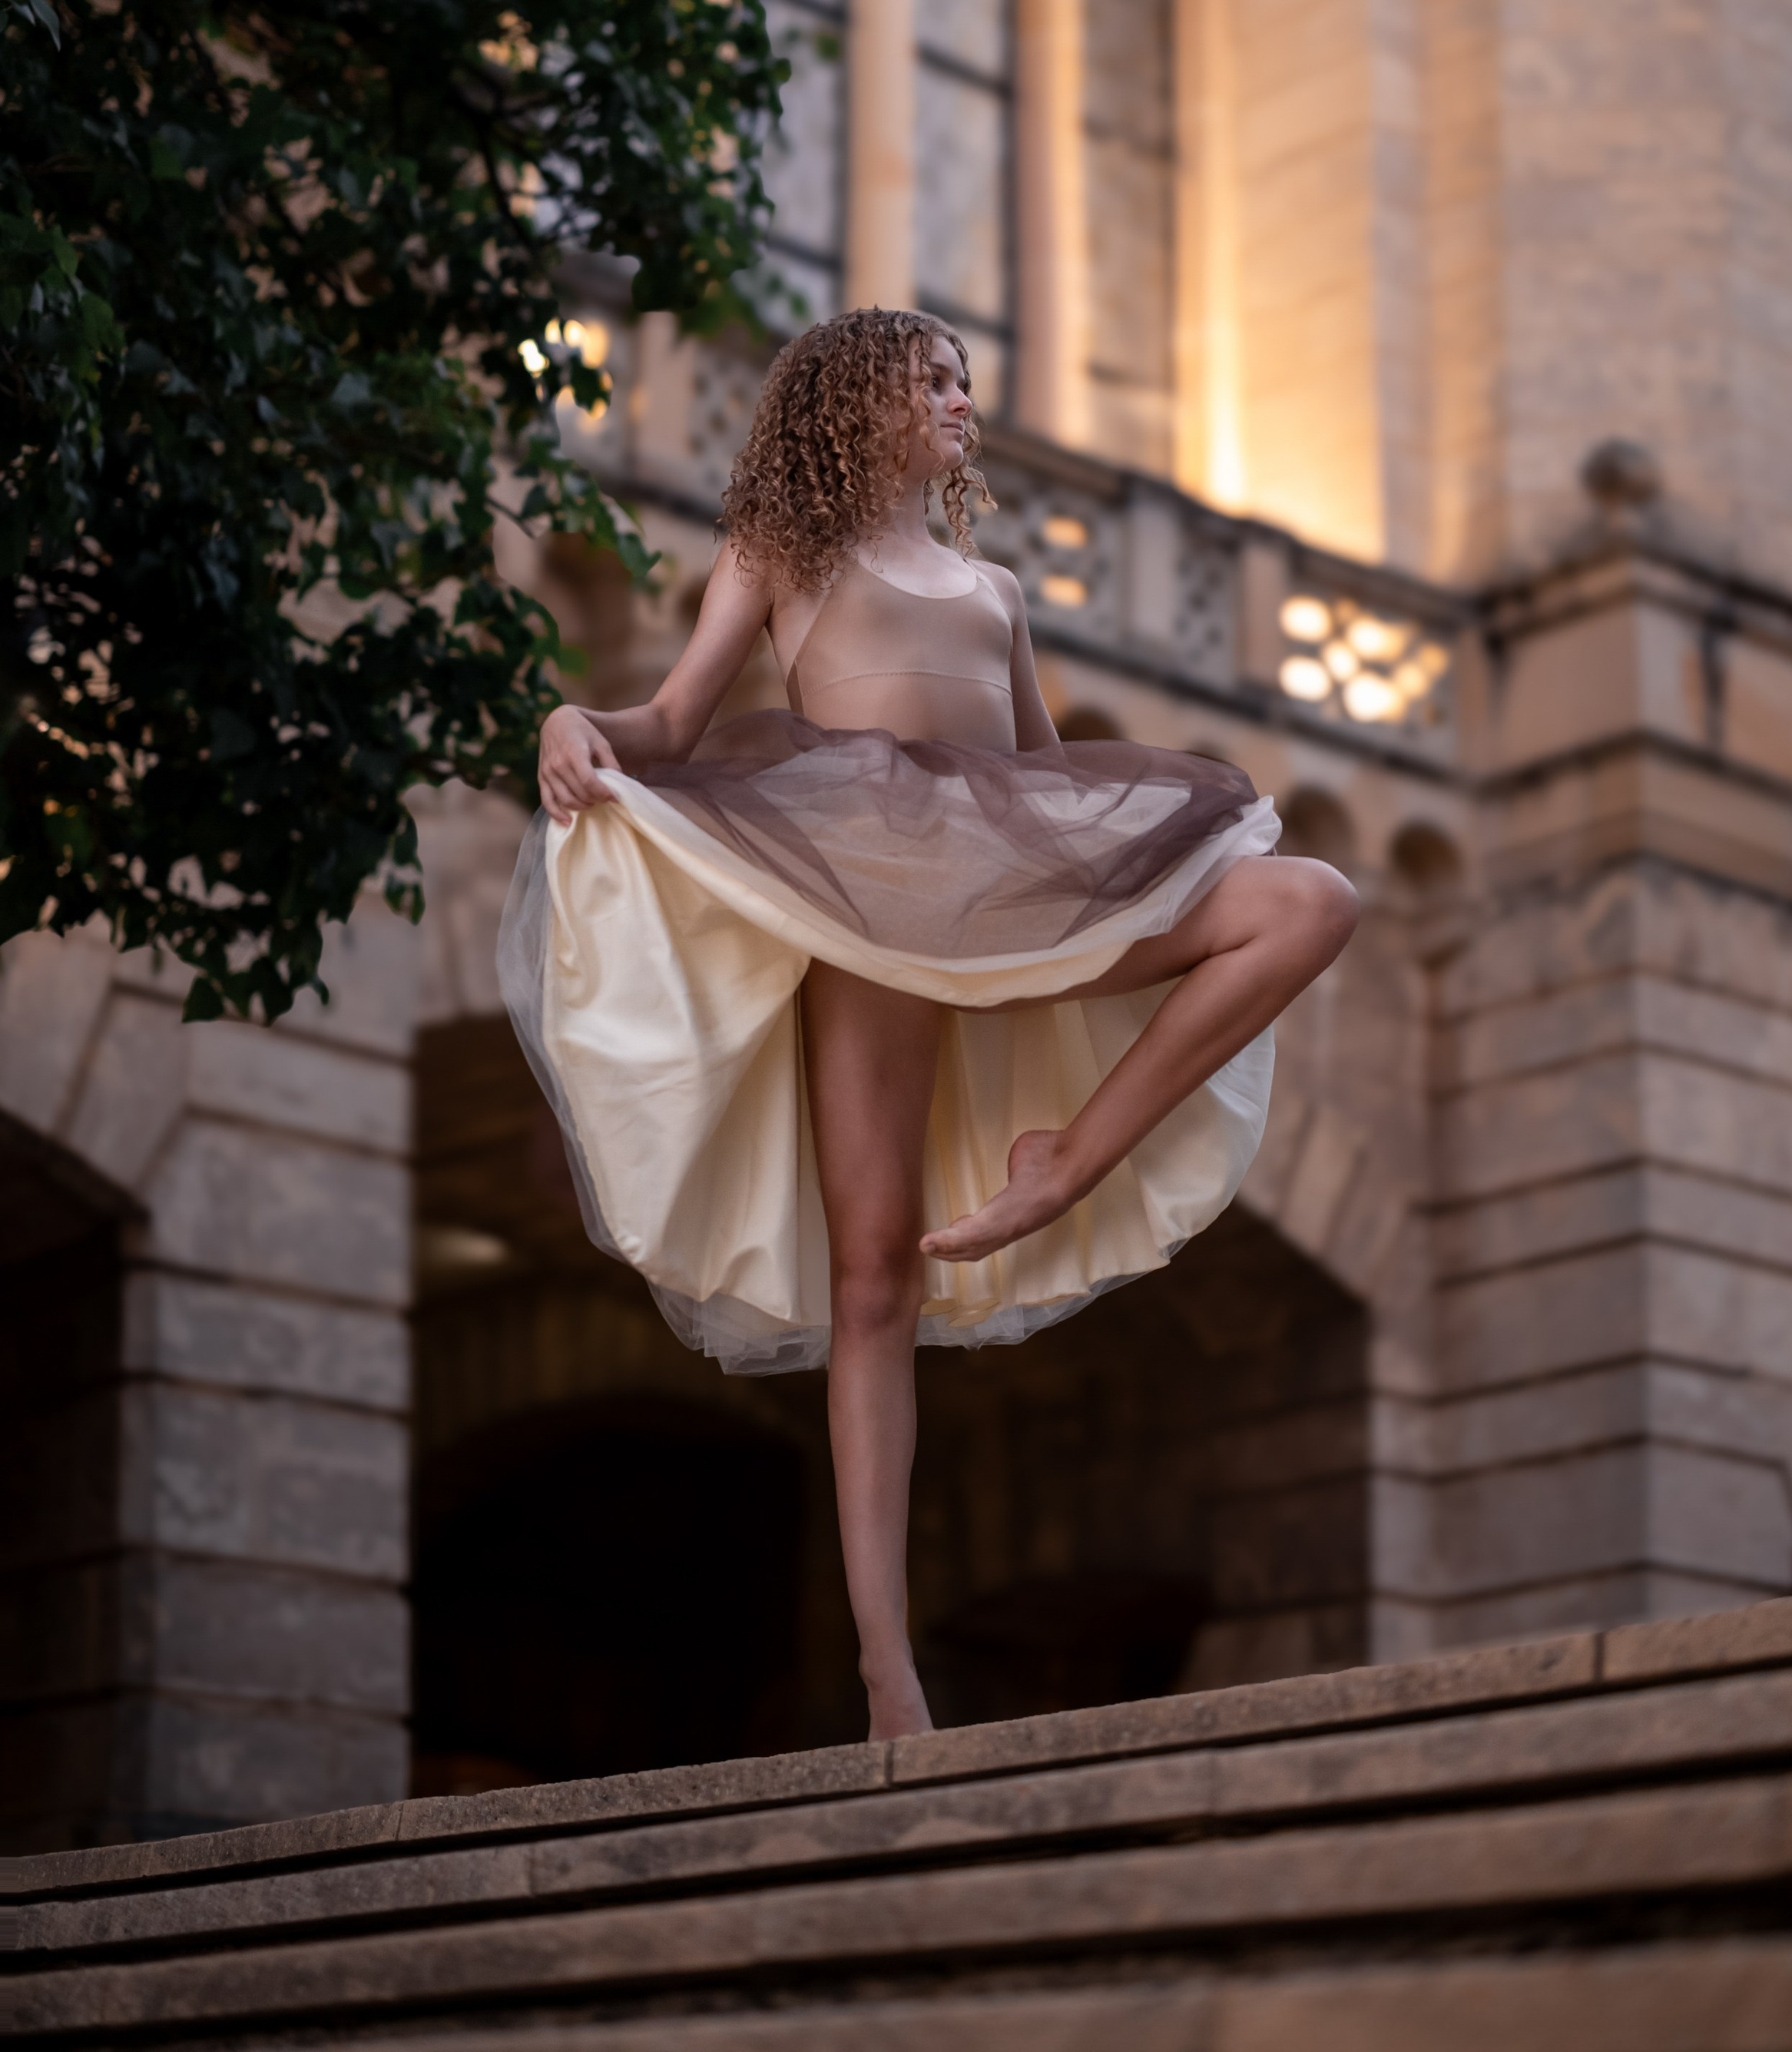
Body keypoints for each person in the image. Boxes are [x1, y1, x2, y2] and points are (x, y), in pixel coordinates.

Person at [505, 307, 1357, 1742]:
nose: (966, 401)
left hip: (1013, 901)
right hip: (865, 916)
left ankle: (1067, 1161)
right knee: (874, 1281)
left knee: (1311, 899)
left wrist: (1129, 872)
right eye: (938, 379)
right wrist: (572, 725)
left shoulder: (996, 589)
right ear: (856, 402)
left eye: (969, 378)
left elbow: (1035, 782)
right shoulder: (783, 554)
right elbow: (674, 719)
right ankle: (887, 1667)